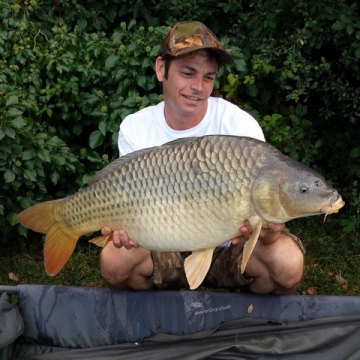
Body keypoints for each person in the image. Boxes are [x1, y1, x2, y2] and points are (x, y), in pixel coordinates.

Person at [100, 21, 305, 294]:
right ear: (162, 69)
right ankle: (162, 312)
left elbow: (265, 208)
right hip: (165, 248)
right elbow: (132, 205)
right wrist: (126, 231)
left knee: (287, 264)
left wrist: (269, 232)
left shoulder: (239, 128)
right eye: (188, 73)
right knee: (114, 262)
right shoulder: (136, 127)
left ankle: (244, 315)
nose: (199, 87)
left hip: (230, 249)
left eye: (209, 77)